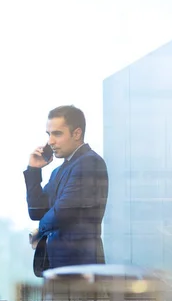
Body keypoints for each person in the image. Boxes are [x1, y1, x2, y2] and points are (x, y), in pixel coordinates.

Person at [24, 105, 109, 277]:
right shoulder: (59, 171)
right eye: (49, 134)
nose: (50, 142)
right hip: (60, 269)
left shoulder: (89, 163)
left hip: (82, 270)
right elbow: (37, 211)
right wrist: (33, 171)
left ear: (76, 133)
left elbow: (62, 211)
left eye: (57, 134)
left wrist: (39, 231)